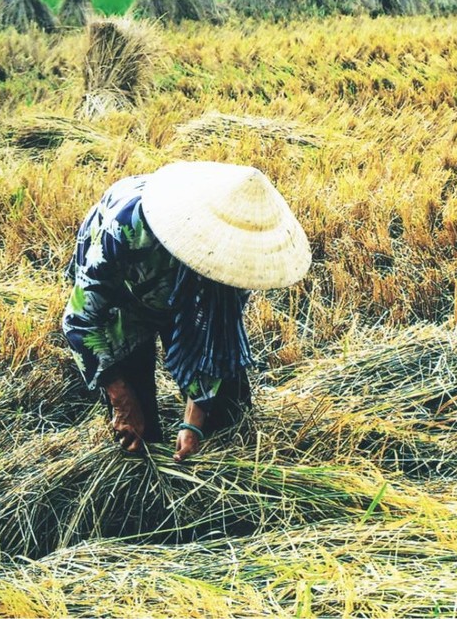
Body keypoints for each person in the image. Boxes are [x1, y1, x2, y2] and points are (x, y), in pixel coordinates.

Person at [62, 161, 311, 461]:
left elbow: (216, 338)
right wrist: (122, 401)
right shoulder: (125, 229)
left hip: (182, 297)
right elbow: (79, 322)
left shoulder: (238, 263)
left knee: (226, 412)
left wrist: (193, 422)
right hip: (124, 298)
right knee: (140, 438)